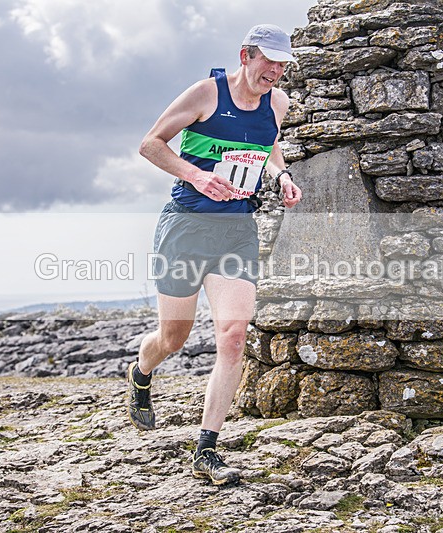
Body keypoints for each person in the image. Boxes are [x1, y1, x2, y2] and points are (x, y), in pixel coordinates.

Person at [125, 24, 302, 486]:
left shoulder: (278, 103)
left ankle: (207, 449)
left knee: (233, 334)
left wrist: (282, 175)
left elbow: (268, 146)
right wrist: (196, 176)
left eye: (283, 64)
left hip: (235, 231)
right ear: (246, 55)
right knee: (173, 339)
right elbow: (150, 144)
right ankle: (142, 372)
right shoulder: (206, 93)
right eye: (269, 61)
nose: (276, 71)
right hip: (186, 227)